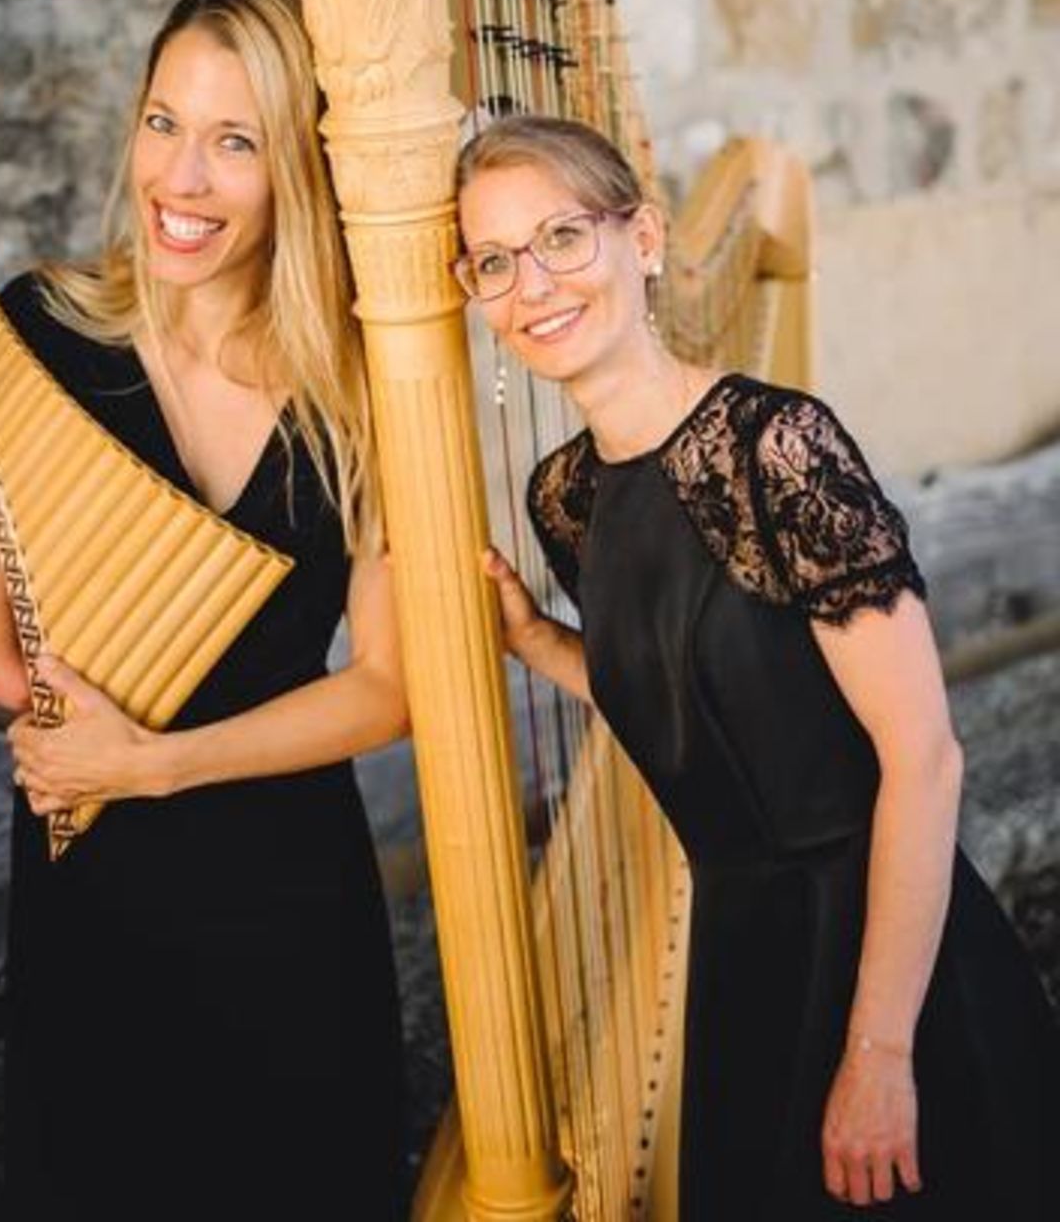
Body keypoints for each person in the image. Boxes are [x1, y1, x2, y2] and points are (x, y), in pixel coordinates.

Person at [453, 112, 1059, 1222]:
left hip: (884, 949)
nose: (531, 281)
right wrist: (542, 645)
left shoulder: (777, 446)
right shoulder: (566, 498)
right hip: (744, 956)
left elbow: (922, 755)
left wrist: (879, 1050)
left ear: (642, 238)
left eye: (561, 237)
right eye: (495, 258)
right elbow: (703, 697)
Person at [0, 0, 410, 1221]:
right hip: (94, 875)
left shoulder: (365, 395)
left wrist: (154, 758)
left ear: (299, 171)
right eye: (164, 122)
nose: (182, 179)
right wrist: (71, 735)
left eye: (234, 141)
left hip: (285, 881)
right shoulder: (43, 334)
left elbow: (390, 686)